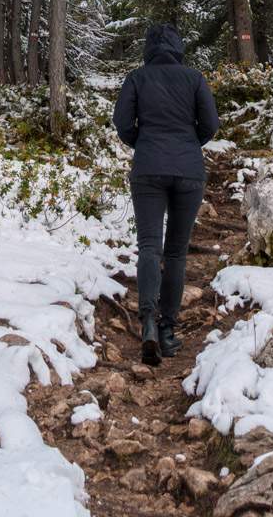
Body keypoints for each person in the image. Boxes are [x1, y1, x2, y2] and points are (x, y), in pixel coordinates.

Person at [113, 22, 219, 366]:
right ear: (178, 46)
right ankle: (168, 330)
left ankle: (147, 322)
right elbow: (211, 125)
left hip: (148, 169)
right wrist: (190, 144)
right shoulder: (194, 78)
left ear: (148, 48)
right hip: (188, 171)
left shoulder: (137, 78)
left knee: (148, 245)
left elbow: (122, 122)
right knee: (175, 253)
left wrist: (142, 143)